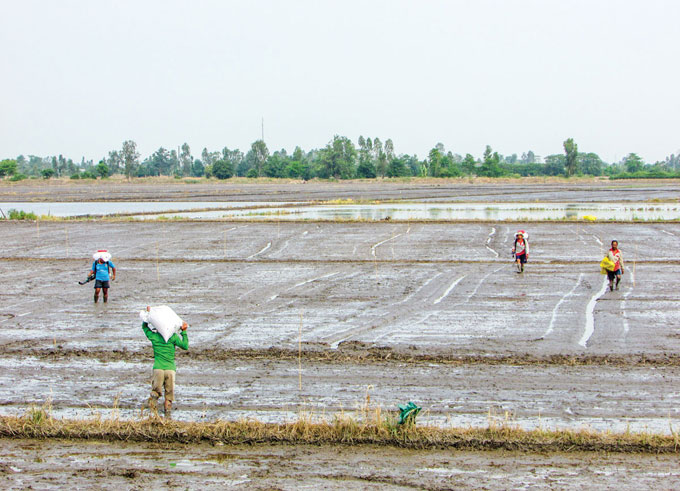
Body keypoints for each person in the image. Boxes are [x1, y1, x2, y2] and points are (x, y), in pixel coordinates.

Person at [142, 306, 189, 419]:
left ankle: (153, 415)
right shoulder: (172, 337)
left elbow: (144, 327)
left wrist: (148, 315)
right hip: (170, 369)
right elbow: (185, 346)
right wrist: (184, 332)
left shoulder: (154, 337)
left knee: (155, 393)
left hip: (158, 368)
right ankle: (167, 416)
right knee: (169, 395)